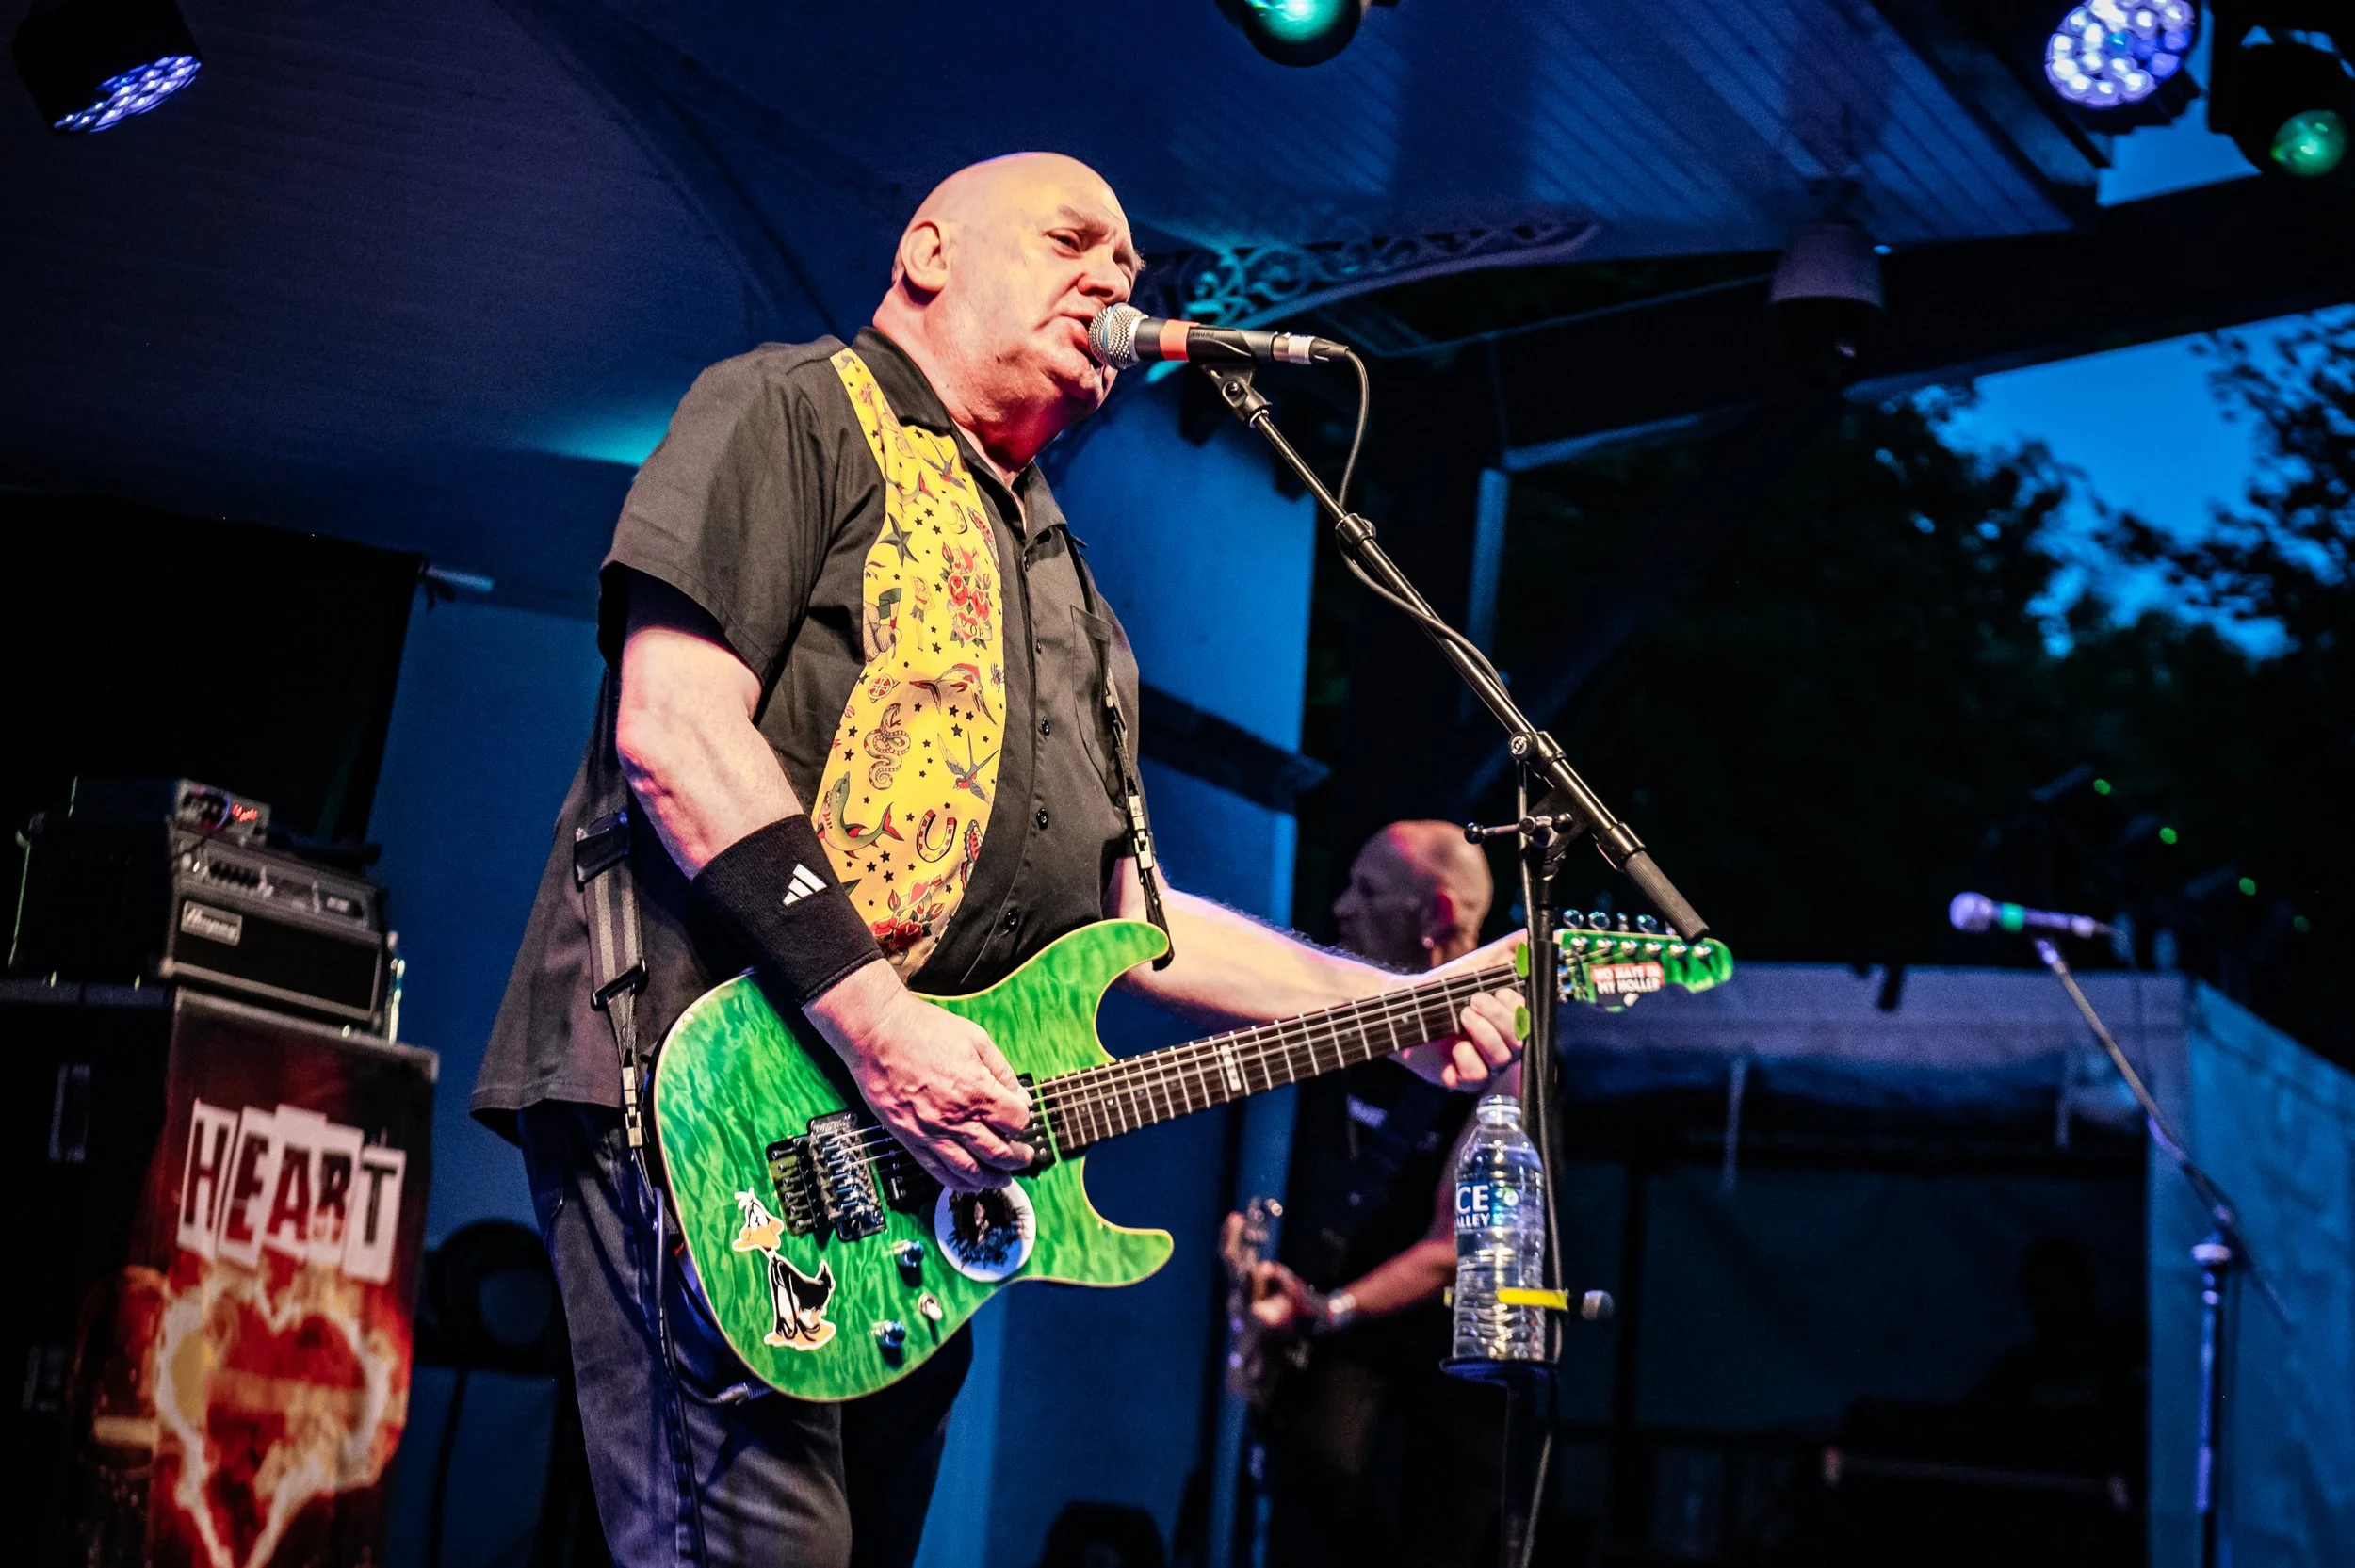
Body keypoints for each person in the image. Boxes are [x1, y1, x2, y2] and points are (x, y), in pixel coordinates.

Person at [471, 153, 1526, 1568]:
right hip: (706, 1095)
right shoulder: (791, 410)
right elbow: (671, 729)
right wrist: (882, 1021)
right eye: (1073, 241)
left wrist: (1385, 1007)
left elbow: (1131, 920)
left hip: (908, 1181)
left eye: (1132, 270)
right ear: (928, 254)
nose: (1115, 282)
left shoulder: (1069, 589)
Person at [1222, 821, 1512, 1568]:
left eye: (1369, 890)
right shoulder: (1339, 1022)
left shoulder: (1503, 1055)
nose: (1343, 907)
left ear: (1437, 915)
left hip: (1424, 1400)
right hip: (1317, 1374)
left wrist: (1330, 1311)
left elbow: (1458, 1244)